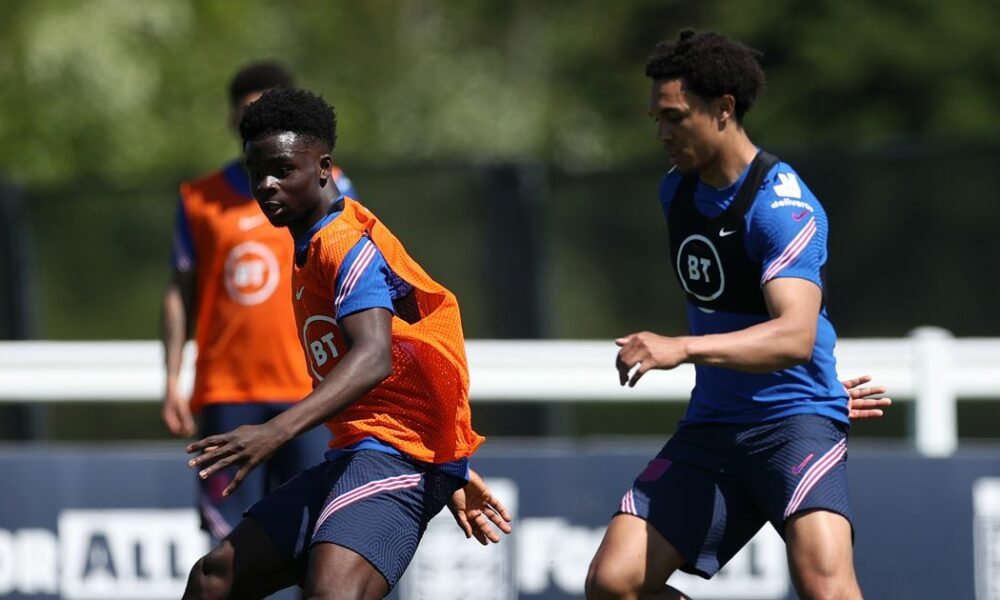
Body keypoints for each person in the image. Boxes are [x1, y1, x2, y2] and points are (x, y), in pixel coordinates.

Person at [585, 30, 891, 600]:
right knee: (613, 584)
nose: (662, 133)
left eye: (674, 117)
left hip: (794, 425)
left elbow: (796, 335)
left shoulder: (782, 206)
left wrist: (682, 348)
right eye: (656, 118)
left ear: (724, 109)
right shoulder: (675, 193)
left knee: (828, 589)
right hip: (713, 428)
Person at [182, 87, 511, 600]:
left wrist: (274, 431)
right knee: (214, 578)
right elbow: (407, 355)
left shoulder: (342, 244)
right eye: (256, 172)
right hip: (363, 451)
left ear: (323, 168)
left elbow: (375, 355)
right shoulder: (308, 243)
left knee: (331, 594)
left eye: (283, 170)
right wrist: (455, 466)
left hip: (396, 458)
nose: (267, 185)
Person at [160, 61, 358, 542]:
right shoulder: (199, 199)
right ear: (233, 121)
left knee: (315, 536)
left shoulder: (330, 188)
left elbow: (352, 281)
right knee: (229, 545)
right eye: (250, 113)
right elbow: (179, 292)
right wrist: (171, 378)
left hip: (309, 390)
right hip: (228, 391)